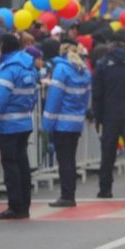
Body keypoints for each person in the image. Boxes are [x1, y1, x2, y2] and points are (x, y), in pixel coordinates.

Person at [0, 34, 39, 219]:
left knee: (11, 166)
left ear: (3, 47)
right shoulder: (29, 66)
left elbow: (0, 99)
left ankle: (15, 206)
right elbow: (34, 95)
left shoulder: (8, 69)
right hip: (25, 121)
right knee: (23, 164)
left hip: (9, 124)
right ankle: (25, 206)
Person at [93, 30, 125, 199]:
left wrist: (98, 117)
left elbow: (97, 94)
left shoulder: (103, 63)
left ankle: (105, 188)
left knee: (108, 152)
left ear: (111, 45)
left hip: (110, 114)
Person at [43, 41, 92, 207]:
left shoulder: (61, 69)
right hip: (76, 123)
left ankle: (66, 195)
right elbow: (86, 99)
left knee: (64, 161)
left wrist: (47, 124)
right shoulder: (84, 71)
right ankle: (70, 194)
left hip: (61, 124)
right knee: (70, 160)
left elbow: (54, 99)